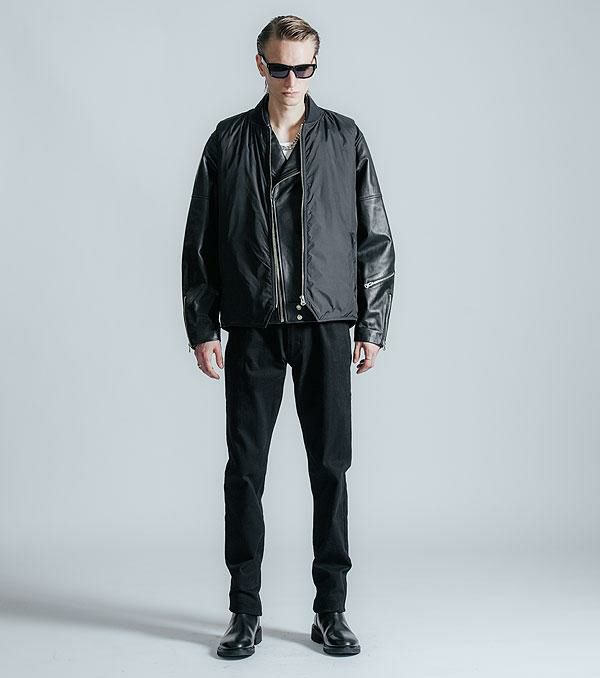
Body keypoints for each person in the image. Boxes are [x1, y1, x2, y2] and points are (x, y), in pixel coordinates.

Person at [181, 14, 395, 659]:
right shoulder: (227, 141)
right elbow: (199, 242)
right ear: (260, 65)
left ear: (315, 67)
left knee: (330, 468)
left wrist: (372, 323)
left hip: (326, 324)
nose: (292, 79)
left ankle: (332, 610)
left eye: (304, 68)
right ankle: (243, 612)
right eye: (280, 67)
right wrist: (202, 326)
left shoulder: (344, 138)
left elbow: (375, 237)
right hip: (253, 327)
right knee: (245, 471)